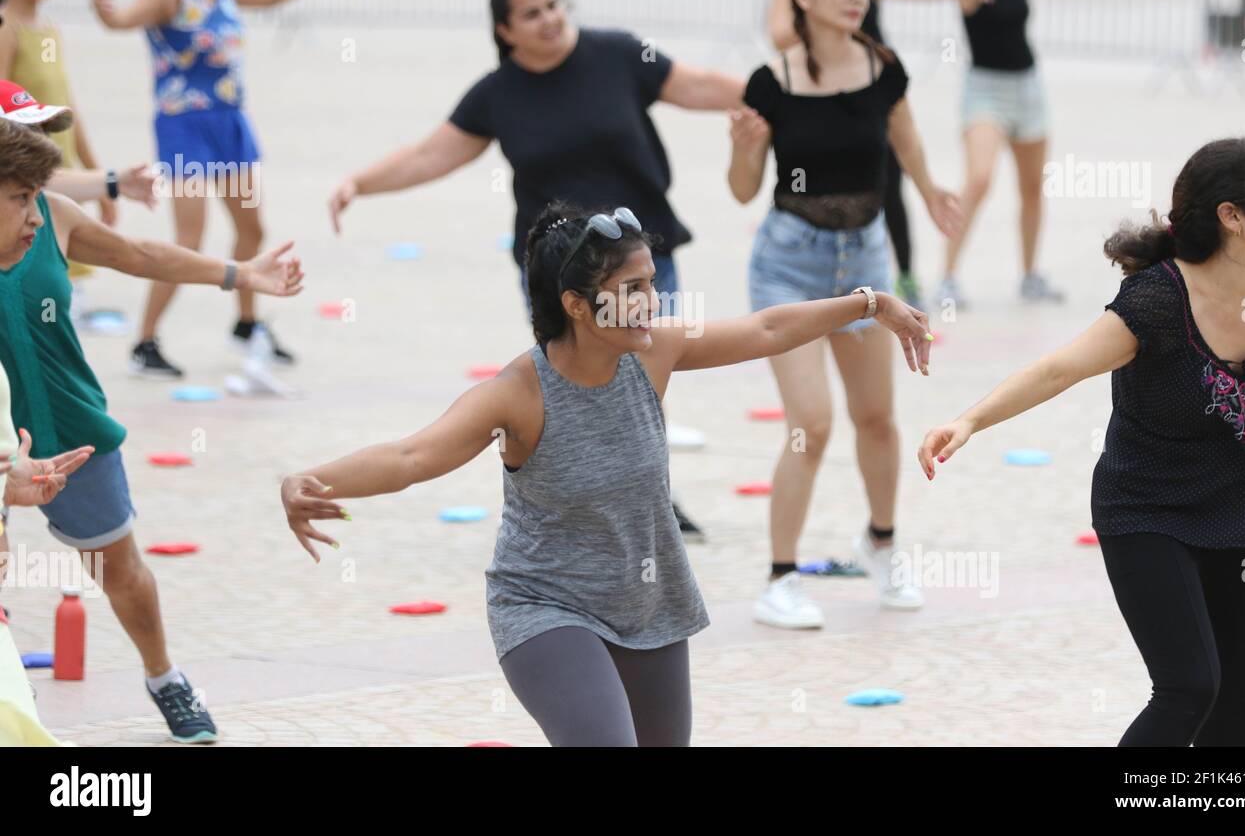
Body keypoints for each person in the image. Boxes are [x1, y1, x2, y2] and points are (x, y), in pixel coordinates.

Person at [282, 199, 934, 746]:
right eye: (633, 290)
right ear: (574, 303)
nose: (653, 302)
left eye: (652, 283)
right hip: (546, 608)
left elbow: (764, 329)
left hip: (650, 604)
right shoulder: (519, 393)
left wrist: (869, 304)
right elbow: (410, 457)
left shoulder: (652, 355)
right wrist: (312, 479)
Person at [327, 0, 745, 539]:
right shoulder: (499, 95)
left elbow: (696, 85)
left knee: (641, 375)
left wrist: (778, 98)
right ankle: (575, 500)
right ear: (505, 30)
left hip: (639, 261)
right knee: (573, 384)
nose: (549, 19)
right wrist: (360, 183)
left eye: (553, 4)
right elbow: (432, 154)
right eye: (531, 13)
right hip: (563, 275)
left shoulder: (618, 55)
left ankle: (647, 501)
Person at [919, 134, 1245, 746]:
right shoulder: (1156, 303)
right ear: (1231, 216)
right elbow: (1058, 368)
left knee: (1235, 691)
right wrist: (968, 421)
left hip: (1236, 507)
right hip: (1149, 511)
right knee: (1190, 687)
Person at [0, 83, 304, 742]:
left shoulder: (52, 216)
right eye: (19, 191)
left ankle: (166, 677)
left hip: (74, 433)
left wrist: (240, 274)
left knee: (120, 567)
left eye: (34, 188)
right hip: (2, 449)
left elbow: (141, 256)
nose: (34, 205)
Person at [730, 0, 961, 627]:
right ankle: (779, 578)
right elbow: (743, 191)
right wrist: (743, 151)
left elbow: (906, 138)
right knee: (813, 424)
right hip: (788, 266)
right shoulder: (771, 82)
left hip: (864, 262)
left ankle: (882, 545)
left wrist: (927, 189)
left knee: (876, 419)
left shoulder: (882, 67)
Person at [91, 0, 352, 377]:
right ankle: (145, 340)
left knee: (252, 229)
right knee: (189, 237)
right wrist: (105, 14)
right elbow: (123, 20)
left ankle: (247, 325)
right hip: (184, 126)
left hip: (230, 121)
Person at [937, 0, 1168, 309]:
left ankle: (1029, 276)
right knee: (979, 179)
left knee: (1031, 188)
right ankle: (947, 278)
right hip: (985, 91)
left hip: (1027, 89)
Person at [767, 0, 990, 309]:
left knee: (890, 185)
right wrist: (818, 18)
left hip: (871, 95)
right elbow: (780, 38)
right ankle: (819, 274)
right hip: (822, 103)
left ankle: (904, 275)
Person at [0, 0, 159, 326]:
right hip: (23, 181)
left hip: (61, 174)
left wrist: (99, 176)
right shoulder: (7, 29)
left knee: (63, 294)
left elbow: (67, 110)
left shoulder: (49, 29)